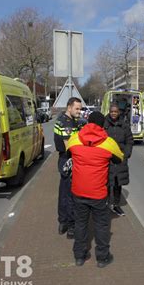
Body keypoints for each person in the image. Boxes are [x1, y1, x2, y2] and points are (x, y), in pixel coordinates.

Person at [67, 111, 124, 268]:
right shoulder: (108, 142)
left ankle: (79, 256)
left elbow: (67, 151)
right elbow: (120, 158)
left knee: (80, 223)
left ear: (87, 122)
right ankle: (102, 258)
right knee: (101, 225)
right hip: (98, 192)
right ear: (102, 125)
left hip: (78, 190)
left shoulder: (75, 139)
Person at [53, 97, 82, 239]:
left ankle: (63, 222)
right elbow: (68, 146)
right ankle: (70, 225)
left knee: (63, 191)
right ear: (69, 107)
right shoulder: (66, 124)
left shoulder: (67, 120)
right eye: (77, 108)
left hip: (64, 159)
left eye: (80, 109)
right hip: (68, 159)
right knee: (70, 193)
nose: (79, 111)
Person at [104, 103, 134, 217]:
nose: (113, 114)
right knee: (106, 182)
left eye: (115, 112)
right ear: (109, 111)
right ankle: (106, 203)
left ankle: (116, 205)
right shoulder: (104, 124)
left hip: (120, 159)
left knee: (117, 183)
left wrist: (126, 154)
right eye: (112, 111)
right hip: (107, 158)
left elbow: (129, 141)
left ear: (119, 112)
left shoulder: (125, 125)